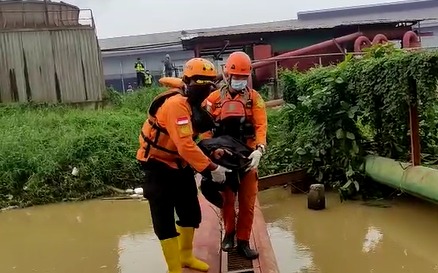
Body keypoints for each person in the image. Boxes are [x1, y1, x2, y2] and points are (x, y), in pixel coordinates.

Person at [136, 57, 231, 273]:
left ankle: (186, 256)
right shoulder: (176, 105)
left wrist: (210, 151)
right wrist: (212, 169)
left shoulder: (195, 102)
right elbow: (185, 145)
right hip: (157, 165)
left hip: (180, 165)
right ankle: (174, 269)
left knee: (190, 213)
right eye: (198, 82)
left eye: (207, 83)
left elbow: (193, 140)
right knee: (164, 220)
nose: (203, 87)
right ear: (187, 81)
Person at [202, 51, 268, 260]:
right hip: (223, 156)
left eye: (243, 77)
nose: (239, 81)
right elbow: (204, 130)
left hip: (248, 156)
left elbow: (261, 126)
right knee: (228, 198)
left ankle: (243, 241)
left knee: (248, 201)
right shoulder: (213, 99)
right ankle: (229, 233)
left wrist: (260, 149)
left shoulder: (254, 99)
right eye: (236, 77)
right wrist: (213, 151)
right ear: (227, 75)